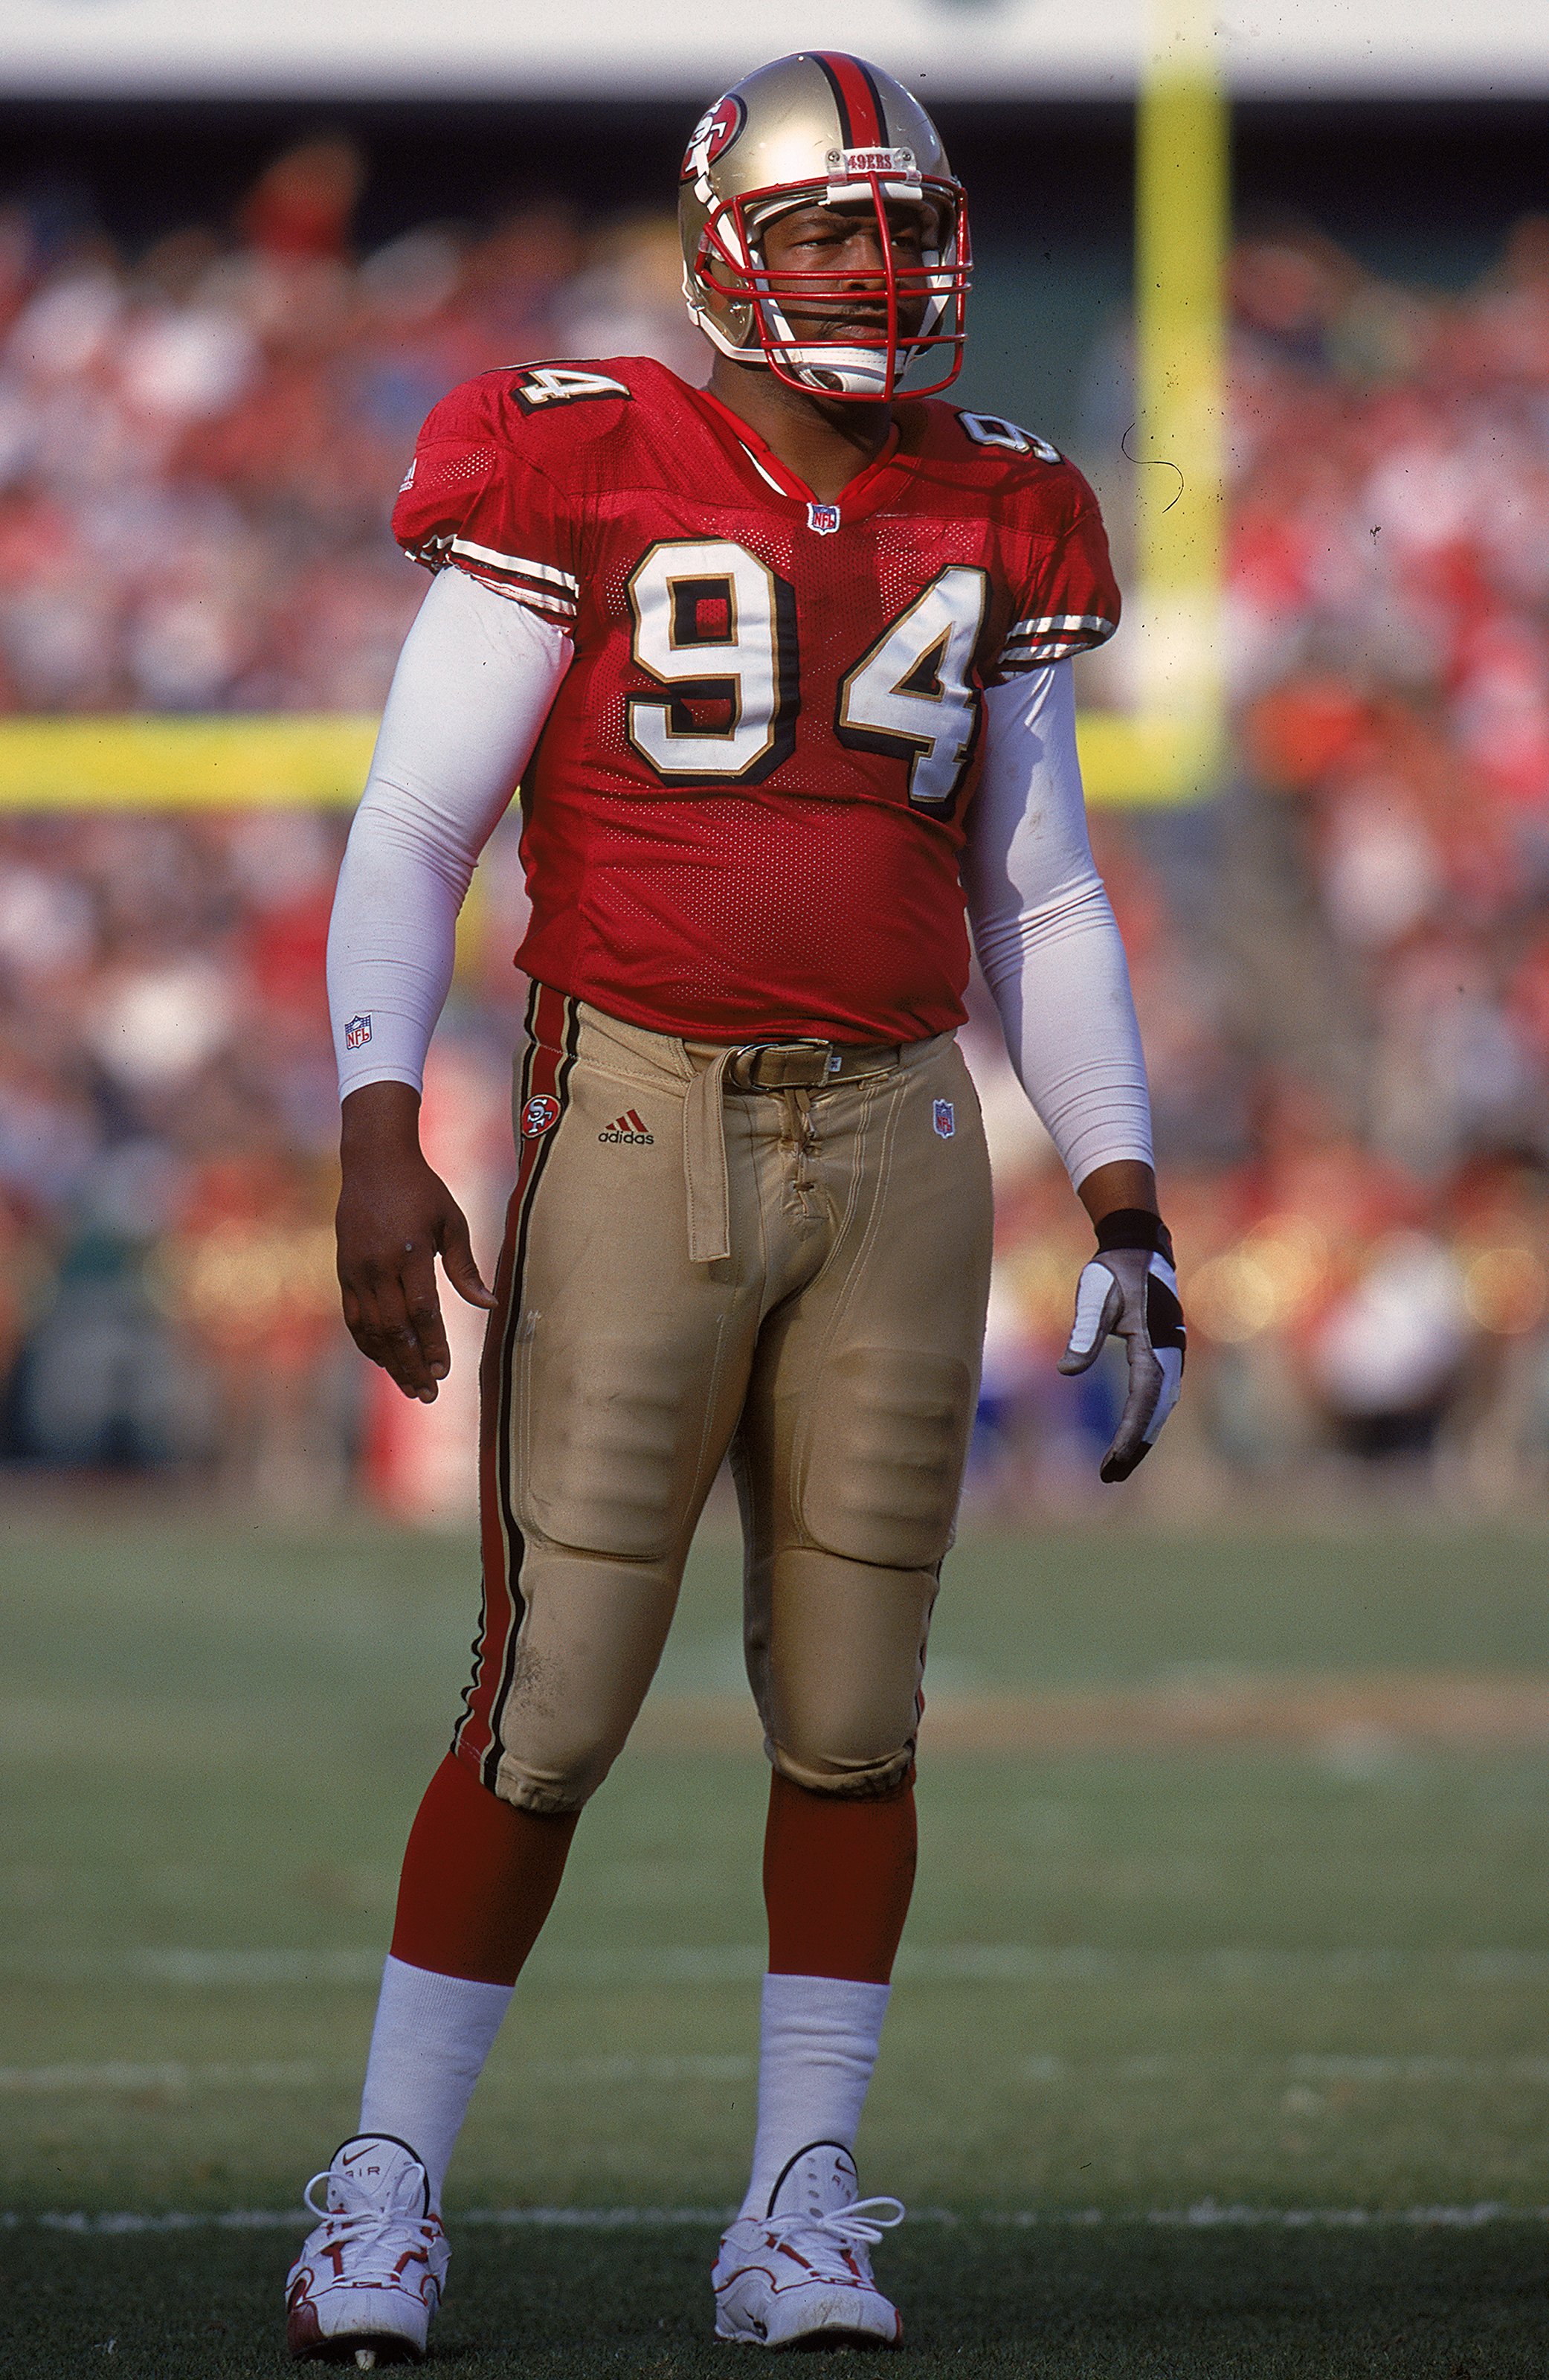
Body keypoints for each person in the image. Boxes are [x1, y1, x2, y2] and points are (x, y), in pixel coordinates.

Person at [286, 50, 1185, 2365]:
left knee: (857, 1706)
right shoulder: (574, 448)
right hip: (635, 1109)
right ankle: (379, 2190)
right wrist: (379, 1118)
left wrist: (1120, 1189)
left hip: (896, 1138)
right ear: (718, 252)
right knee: (552, 1699)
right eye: (827, 236)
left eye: (907, 233)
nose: (879, 274)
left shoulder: (1000, 506)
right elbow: (408, 828)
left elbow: (1042, 895)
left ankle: (800, 2202)